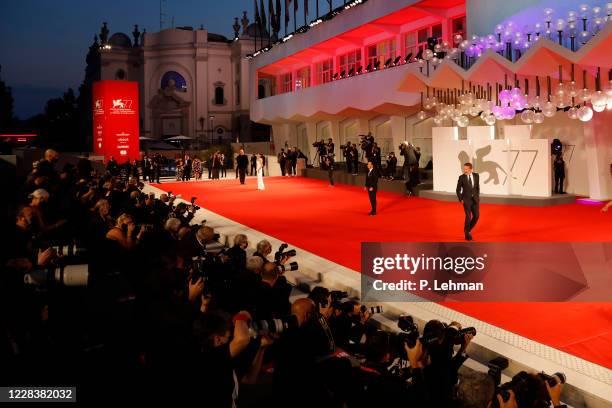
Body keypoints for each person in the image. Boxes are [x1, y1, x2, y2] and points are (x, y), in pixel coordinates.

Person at [456, 162, 480, 241]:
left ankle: (468, 229)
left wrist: (477, 196)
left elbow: (477, 187)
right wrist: (461, 199)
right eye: (464, 169)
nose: (465, 170)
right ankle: (467, 233)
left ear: (471, 169)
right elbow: (458, 189)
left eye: (466, 169)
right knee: (468, 217)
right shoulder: (461, 177)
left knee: (476, 216)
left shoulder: (476, 176)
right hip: (466, 200)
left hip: (475, 200)